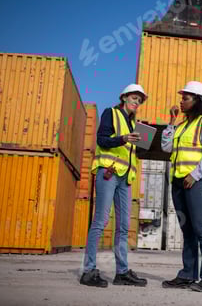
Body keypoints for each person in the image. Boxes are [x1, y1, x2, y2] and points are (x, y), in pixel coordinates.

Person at [80, 84, 148, 288]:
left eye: (140, 100)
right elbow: (101, 140)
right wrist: (123, 138)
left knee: (124, 226)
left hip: (125, 179)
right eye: (135, 98)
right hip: (108, 173)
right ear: (124, 97)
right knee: (100, 221)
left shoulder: (133, 123)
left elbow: (133, 153)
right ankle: (89, 271)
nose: (137, 102)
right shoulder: (111, 113)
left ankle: (122, 272)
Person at [161, 81, 202, 292]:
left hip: (195, 182)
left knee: (201, 228)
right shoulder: (182, 126)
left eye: (185, 98)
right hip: (178, 182)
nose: (181, 101)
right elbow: (166, 147)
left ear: (198, 101)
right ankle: (187, 275)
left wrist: (194, 176)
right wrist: (171, 121)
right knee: (188, 231)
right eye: (182, 97)